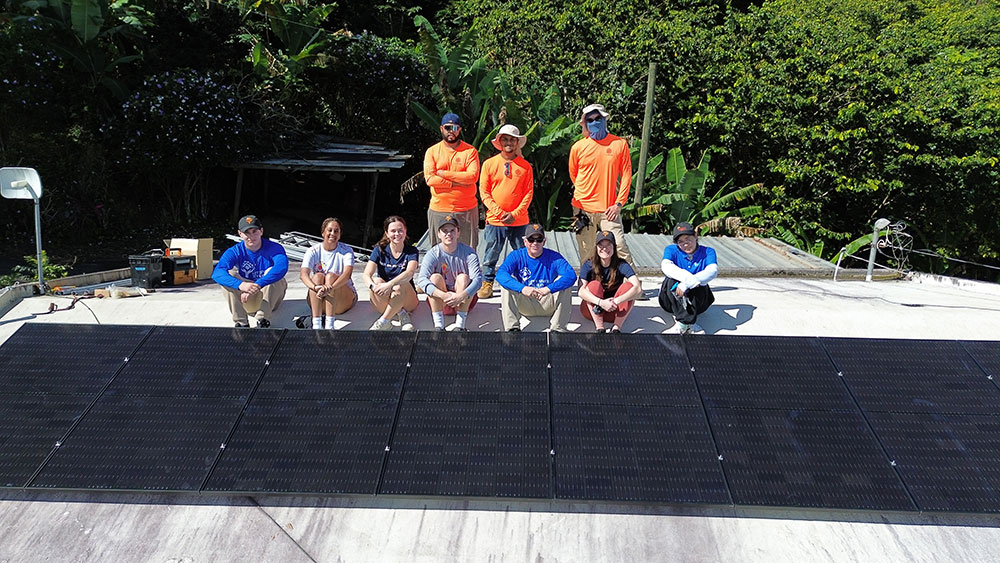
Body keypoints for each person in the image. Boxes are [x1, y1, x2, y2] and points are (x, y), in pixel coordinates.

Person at [568, 102, 634, 267]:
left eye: (598, 118)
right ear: (585, 123)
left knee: (619, 245)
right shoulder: (578, 147)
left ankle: (633, 285)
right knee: (587, 250)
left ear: (605, 119)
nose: (594, 122)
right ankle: (588, 283)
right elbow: (574, 175)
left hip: (609, 209)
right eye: (590, 120)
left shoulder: (619, 144)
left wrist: (619, 204)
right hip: (582, 208)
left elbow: (626, 175)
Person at [477, 124, 534, 299]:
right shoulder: (489, 164)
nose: (509, 143)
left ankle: (524, 282)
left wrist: (515, 214)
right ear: (500, 142)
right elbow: (484, 192)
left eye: (512, 140)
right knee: (491, 253)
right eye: (505, 139)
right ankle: (487, 282)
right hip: (495, 219)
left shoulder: (525, 166)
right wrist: (499, 212)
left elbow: (528, 193)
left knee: (523, 253)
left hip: (520, 220)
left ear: (517, 143)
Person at [495, 223, 577, 332]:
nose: (535, 243)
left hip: (547, 302)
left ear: (544, 241)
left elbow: (571, 275)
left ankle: (558, 329)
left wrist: (547, 289)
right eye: (531, 240)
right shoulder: (516, 255)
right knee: (507, 284)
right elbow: (501, 274)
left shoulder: (554, 257)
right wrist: (523, 289)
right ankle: (512, 329)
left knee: (565, 284)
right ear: (525, 241)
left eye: (539, 240)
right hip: (525, 303)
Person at [213, 214, 288, 328]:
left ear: (261, 231)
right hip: (246, 299)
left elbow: (281, 267)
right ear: (240, 234)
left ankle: (262, 320)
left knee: (272, 272)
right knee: (229, 274)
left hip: (268, 298)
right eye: (247, 232)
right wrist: (241, 285)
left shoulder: (275, 248)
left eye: (255, 231)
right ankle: (241, 322)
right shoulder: (234, 251)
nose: (251, 236)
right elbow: (217, 273)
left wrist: (258, 285)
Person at [415, 215, 483, 331]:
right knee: (435, 278)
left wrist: (460, 296)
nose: (449, 234)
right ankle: (439, 326)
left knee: (463, 278)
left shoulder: (469, 253)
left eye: (452, 231)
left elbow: (477, 280)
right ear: (439, 234)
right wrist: (443, 295)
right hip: (441, 301)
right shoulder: (432, 253)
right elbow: (421, 279)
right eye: (445, 231)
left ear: (458, 233)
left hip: (463, 300)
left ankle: (460, 325)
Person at [423, 112, 481, 249]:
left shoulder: (470, 151)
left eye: (455, 128)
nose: (451, 131)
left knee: (467, 250)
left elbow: (472, 177)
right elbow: (430, 179)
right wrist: (457, 181)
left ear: (459, 130)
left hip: (466, 209)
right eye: (448, 128)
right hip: (439, 208)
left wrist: (444, 173)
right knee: (439, 251)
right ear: (441, 128)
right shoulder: (432, 151)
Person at [578, 230, 643, 333]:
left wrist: (615, 302)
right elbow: (581, 291)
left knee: (629, 287)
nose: (605, 248)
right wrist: (601, 303)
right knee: (594, 285)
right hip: (592, 311)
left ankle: (616, 328)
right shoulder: (588, 264)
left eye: (608, 245)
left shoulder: (621, 264)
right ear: (596, 248)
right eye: (601, 245)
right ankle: (599, 328)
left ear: (614, 247)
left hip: (614, 310)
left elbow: (637, 288)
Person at [659, 222, 717, 334]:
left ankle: (683, 324)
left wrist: (687, 284)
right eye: (680, 242)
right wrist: (688, 279)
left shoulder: (708, 251)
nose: (685, 244)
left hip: (699, 302)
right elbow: (666, 266)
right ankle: (688, 324)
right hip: (670, 302)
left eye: (688, 239)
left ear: (696, 237)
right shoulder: (671, 250)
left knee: (701, 282)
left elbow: (712, 271)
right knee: (671, 280)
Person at [299, 217, 357, 330]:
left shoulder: (346, 251)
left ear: (340, 235)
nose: (332, 234)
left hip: (342, 299)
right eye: (329, 230)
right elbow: (303, 275)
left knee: (330, 276)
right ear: (323, 232)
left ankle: (330, 324)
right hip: (319, 296)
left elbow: (347, 275)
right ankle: (316, 324)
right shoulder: (312, 251)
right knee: (317, 276)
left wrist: (329, 288)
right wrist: (315, 287)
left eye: (336, 231)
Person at [363, 215, 419, 331]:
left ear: (405, 231)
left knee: (401, 283)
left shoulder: (411, 251)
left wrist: (389, 285)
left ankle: (384, 321)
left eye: (400, 230)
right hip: (385, 298)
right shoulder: (379, 250)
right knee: (377, 281)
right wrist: (374, 287)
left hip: (408, 299)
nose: (397, 234)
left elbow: (409, 273)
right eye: (393, 231)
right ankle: (402, 314)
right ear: (387, 233)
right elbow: (366, 275)